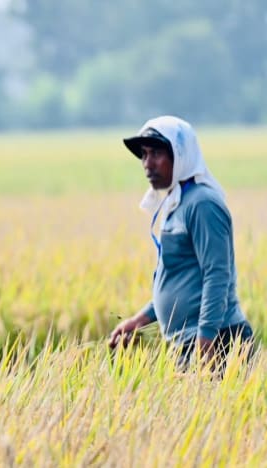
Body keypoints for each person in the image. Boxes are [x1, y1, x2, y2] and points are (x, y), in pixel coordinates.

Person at [108, 116, 254, 370]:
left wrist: (206, 339)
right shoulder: (176, 203)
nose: (147, 163)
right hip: (189, 343)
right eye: (143, 154)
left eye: (156, 153)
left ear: (180, 154)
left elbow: (217, 274)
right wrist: (139, 320)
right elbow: (180, 280)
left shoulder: (202, 204)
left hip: (217, 342)